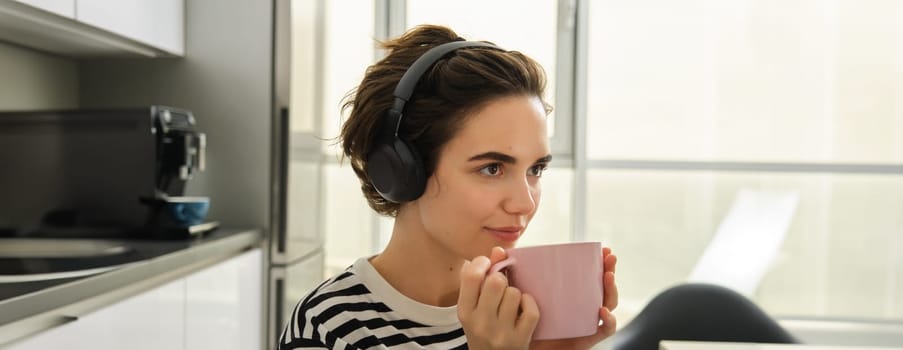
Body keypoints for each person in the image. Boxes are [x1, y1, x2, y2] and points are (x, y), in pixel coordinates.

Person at [279, 24, 619, 350]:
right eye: (492, 168)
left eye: (536, 169)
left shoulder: (523, 312)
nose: (525, 203)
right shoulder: (327, 328)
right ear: (403, 171)